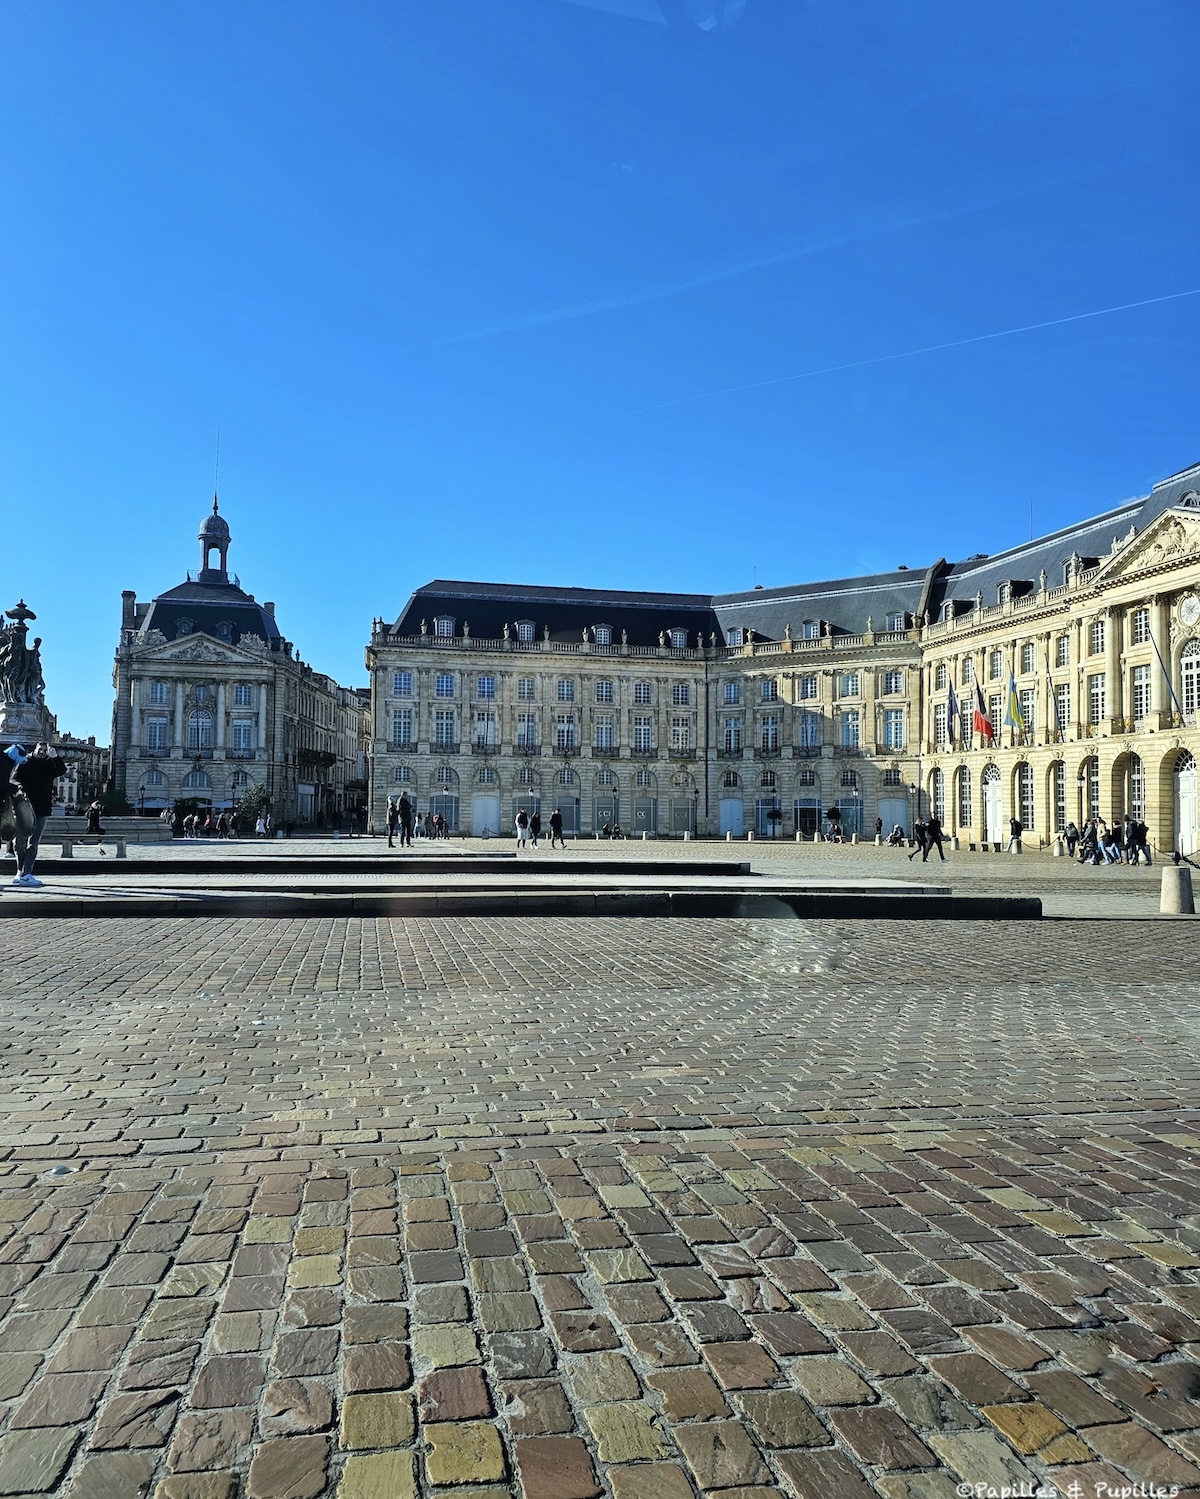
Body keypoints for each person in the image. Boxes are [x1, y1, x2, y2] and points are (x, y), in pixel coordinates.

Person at [10, 742, 66, 888]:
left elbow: (61, 770)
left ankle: (27, 873)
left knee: (33, 843)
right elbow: (14, 778)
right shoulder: (25, 762)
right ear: (35, 750)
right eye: (40, 750)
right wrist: (20, 787)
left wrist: (55, 758)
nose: (42, 752)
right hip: (25, 806)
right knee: (19, 842)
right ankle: (20, 871)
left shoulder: (50, 764)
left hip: (42, 808)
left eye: (45, 751)